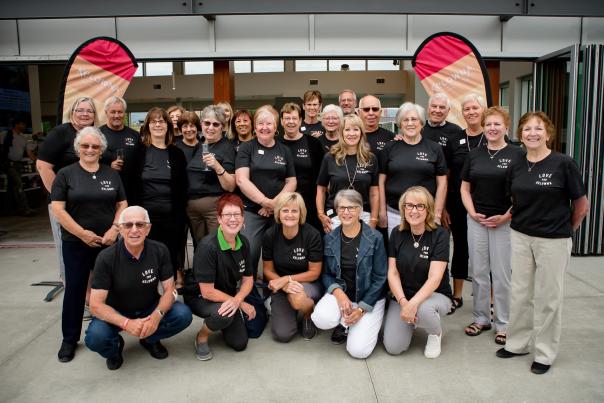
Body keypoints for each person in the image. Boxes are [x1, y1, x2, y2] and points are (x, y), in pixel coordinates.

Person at [496, 112, 589, 375]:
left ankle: (545, 353)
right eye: (527, 129)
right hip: (521, 236)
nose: (532, 133)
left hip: (554, 239)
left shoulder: (563, 164)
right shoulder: (516, 164)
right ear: (520, 135)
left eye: (538, 129)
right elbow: (513, 200)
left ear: (548, 134)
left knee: (550, 297)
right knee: (520, 294)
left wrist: (566, 229)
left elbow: (581, 205)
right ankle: (517, 344)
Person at [50, 126, 127, 362]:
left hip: (107, 242)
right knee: (74, 290)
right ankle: (69, 339)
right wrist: (82, 233)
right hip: (76, 242)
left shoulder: (111, 174)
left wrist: (115, 229)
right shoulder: (65, 174)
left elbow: (122, 204)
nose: (90, 150)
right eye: (85, 146)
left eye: (95, 146)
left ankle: (112, 333)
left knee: (113, 289)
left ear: (101, 149)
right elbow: (58, 209)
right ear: (78, 148)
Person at [84, 206, 193, 370]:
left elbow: (170, 289)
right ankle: (114, 349)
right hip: (117, 312)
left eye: (140, 224)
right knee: (95, 338)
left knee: (182, 314)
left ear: (148, 229)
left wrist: (156, 316)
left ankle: (150, 339)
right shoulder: (106, 258)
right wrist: (127, 323)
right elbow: (96, 305)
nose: (134, 230)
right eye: (128, 225)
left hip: (149, 308)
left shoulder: (159, 250)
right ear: (120, 229)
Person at [460, 106, 524, 344]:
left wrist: (507, 215)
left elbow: (521, 191)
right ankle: (481, 318)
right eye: (488, 124)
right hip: (477, 221)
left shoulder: (518, 154)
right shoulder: (475, 155)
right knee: (478, 272)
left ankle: (504, 323)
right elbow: (465, 188)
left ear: (506, 127)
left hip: (504, 222)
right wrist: (472, 212)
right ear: (483, 127)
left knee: (501, 274)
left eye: (497, 124)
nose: (492, 128)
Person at [311, 189, 387, 359]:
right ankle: (344, 322)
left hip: (368, 299)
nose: (346, 212)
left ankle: (353, 323)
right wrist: (339, 294)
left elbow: (381, 278)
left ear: (360, 210)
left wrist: (361, 309)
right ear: (337, 211)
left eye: (352, 208)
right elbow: (326, 274)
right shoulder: (329, 238)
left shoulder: (375, 238)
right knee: (320, 319)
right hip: (344, 293)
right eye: (342, 208)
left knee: (358, 351)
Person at [382, 186, 452, 359]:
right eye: (409, 205)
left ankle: (435, 333)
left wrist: (413, 305)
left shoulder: (440, 235)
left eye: (420, 206)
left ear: (427, 209)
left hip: (434, 295)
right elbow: (393, 273)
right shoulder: (396, 233)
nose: (414, 210)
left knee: (424, 310)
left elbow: (434, 278)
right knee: (393, 347)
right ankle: (411, 322)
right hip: (403, 296)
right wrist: (404, 302)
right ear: (403, 208)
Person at [185, 193, 256, 360]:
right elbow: (207, 291)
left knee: (240, 343)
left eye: (237, 214)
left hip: (227, 295)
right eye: (227, 215)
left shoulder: (244, 242)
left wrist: (237, 300)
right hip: (200, 296)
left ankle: (221, 321)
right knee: (223, 314)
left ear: (243, 218)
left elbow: (248, 279)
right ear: (219, 219)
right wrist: (241, 304)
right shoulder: (207, 246)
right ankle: (202, 336)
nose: (233, 219)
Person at [37, 96, 98, 279]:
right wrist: (59, 198)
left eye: (89, 110)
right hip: (64, 206)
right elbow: (43, 166)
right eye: (80, 110)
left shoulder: (94, 135)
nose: (85, 114)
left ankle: (89, 292)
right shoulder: (60, 133)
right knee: (68, 251)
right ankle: (71, 289)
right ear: (72, 112)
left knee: (87, 249)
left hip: (88, 205)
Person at [235, 106, 297, 277]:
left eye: (269, 123)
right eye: (260, 123)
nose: (265, 127)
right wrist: (264, 201)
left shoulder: (284, 150)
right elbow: (241, 179)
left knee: (279, 256)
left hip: (278, 213)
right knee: (250, 253)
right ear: (255, 127)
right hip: (252, 212)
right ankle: (250, 292)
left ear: (276, 127)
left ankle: (276, 293)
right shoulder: (247, 148)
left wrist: (274, 205)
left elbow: (292, 181)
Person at [131, 107, 188, 281]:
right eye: (153, 121)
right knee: (143, 259)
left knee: (168, 259)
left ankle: (168, 298)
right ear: (147, 126)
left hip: (171, 218)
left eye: (161, 121)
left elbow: (183, 187)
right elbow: (129, 185)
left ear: (168, 126)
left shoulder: (177, 154)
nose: (157, 124)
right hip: (144, 219)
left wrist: (180, 216)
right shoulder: (137, 152)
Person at [445, 93, 488, 313]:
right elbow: (447, 174)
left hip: (487, 204)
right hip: (457, 203)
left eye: (475, 108)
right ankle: (458, 294)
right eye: (467, 109)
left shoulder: (493, 137)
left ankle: (489, 299)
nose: (471, 112)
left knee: (486, 251)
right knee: (460, 247)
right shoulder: (455, 140)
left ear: (483, 110)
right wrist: (443, 206)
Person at [379, 102, 447, 237]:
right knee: (397, 254)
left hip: (426, 214)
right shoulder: (389, 148)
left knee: (423, 254)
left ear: (421, 123)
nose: (410, 123)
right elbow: (380, 182)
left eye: (414, 119)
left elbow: (442, 183)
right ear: (400, 124)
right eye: (406, 120)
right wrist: (382, 211)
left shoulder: (434, 148)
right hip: (394, 213)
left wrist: (437, 213)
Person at [262, 192, 323, 342]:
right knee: (282, 335)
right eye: (285, 210)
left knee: (297, 299)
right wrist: (284, 285)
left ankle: (308, 314)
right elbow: (268, 270)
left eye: (294, 211)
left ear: (301, 213)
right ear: (278, 213)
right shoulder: (270, 235)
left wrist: (287, 279)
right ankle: (291, 309)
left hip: (308, 283)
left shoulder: (312, 234)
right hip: (283, 286)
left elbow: (314, 272)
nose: (290, 215)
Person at [316, 114, 379, 233]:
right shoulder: (330, 157)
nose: (351, 133)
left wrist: (374, 219)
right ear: (342, 133)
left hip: (363, 216)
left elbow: (374, 193)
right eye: (347, 129)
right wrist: (321, 214)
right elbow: (321, 190)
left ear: (361, 133)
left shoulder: (370, 159)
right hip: (336, 216)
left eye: (356, 129)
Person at [186, 105, 236, 245]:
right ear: (201, 124)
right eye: (207, 123)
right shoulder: (199, 146)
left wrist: (217, 166)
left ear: (222, 127)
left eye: (215, 124)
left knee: (216, 247)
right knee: (199, 247)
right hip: (192, 208)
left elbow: (231, 186)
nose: (210, 127)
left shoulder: (228, 147)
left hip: (214, 207)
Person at [278, 103, 324, 231]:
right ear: (281, 121)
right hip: (282, 204)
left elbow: (322, 177)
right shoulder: (275, 143)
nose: (291, 122)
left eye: (294, 118)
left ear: (300, 121)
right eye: (287, 118)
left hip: (309, 204)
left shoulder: (313, 144)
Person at [99, 96, 141, 203]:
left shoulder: (135, 135)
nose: (117, 115)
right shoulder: (97, 134)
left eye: (120, 112)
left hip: (131, 191)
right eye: (113, 112)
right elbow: (88, 162)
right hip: (105, 190)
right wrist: (109, 167)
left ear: (124, 113)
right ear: (106, 112)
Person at [2, 114, 36, 216]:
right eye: (22, 124)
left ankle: (14, 209)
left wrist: (37, 161)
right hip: (8, 165)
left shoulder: (23, 138)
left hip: (18, 165)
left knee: (14, 187)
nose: (24, 127)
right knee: (19, 185)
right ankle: (24, 209)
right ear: (16, 124)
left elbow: (29, 152)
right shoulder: (5, 135)